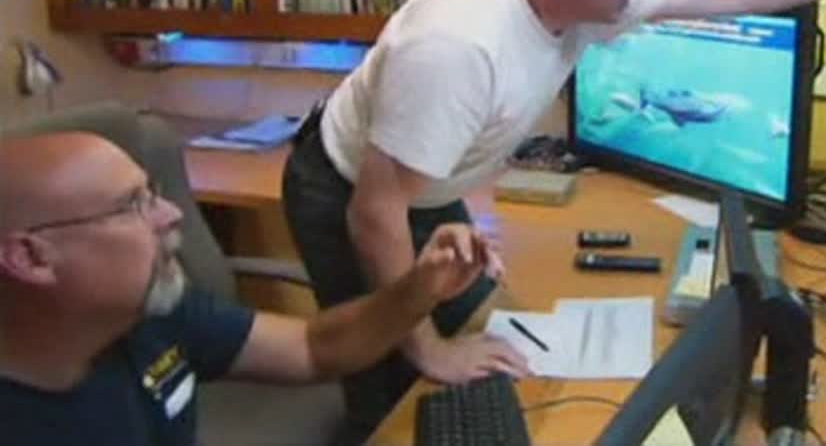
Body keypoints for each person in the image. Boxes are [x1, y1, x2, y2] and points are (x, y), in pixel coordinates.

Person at [282, 0, 826, 441]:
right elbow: (375, 212)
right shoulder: (456, 48)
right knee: (389, 381)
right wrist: (427, 349)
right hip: (346, 193)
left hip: (423, 191)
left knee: (476, 331)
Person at [0, 131, 503, 445]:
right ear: (30, 257)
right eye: (133, 205)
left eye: (153, 193)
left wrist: (417, 290)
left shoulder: (153, 312)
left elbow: (312, 348)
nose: (171, 213)